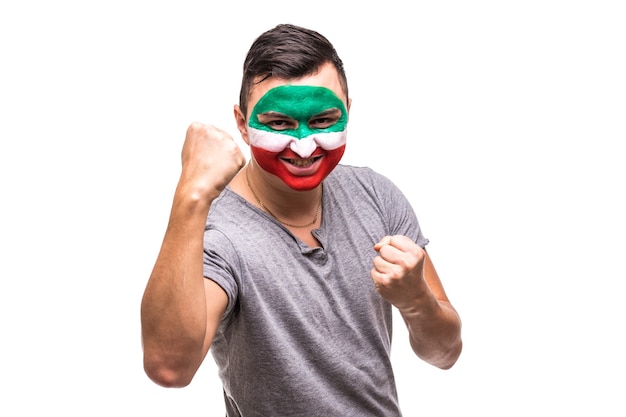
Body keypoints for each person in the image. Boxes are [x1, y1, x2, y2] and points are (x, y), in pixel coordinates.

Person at [141, 23, 462, 416]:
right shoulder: (218, 234)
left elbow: (446, 353)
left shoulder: (376, 196)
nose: (306, 146)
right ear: (242, 123)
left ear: (348, 112)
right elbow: (169, 367)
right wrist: (190, 198)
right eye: (279, 124)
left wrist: (417, 302)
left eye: (325, 121)